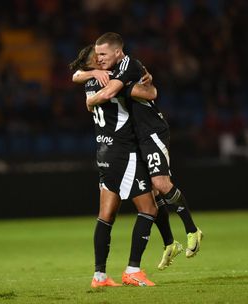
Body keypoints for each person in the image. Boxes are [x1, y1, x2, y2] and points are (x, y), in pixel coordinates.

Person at [77, 32, 203, 270]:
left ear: (117, 52)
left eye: (103, 54)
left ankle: (192, 230)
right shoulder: (108, 71)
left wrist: (91, 100)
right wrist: (92, 73)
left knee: (161, 183)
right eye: (97, 56)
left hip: (152, 131)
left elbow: (145, 93)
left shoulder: (130, 66)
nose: (100, 59)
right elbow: (76, 74)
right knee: (152, 192)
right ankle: (168, 242)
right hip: (136, 138)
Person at [69, 45, 158, 287]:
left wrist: (87, 78)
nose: (102, 59)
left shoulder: (88, 81)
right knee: (149, 209)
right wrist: (147, 84)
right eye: (98, 58)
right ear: (94, 64)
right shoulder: (111, 80)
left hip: (103, 153)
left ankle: (99, 276)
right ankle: (133, 270)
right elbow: (150, 95)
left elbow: (77, 76)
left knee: (106, 215)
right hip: (124, 151)